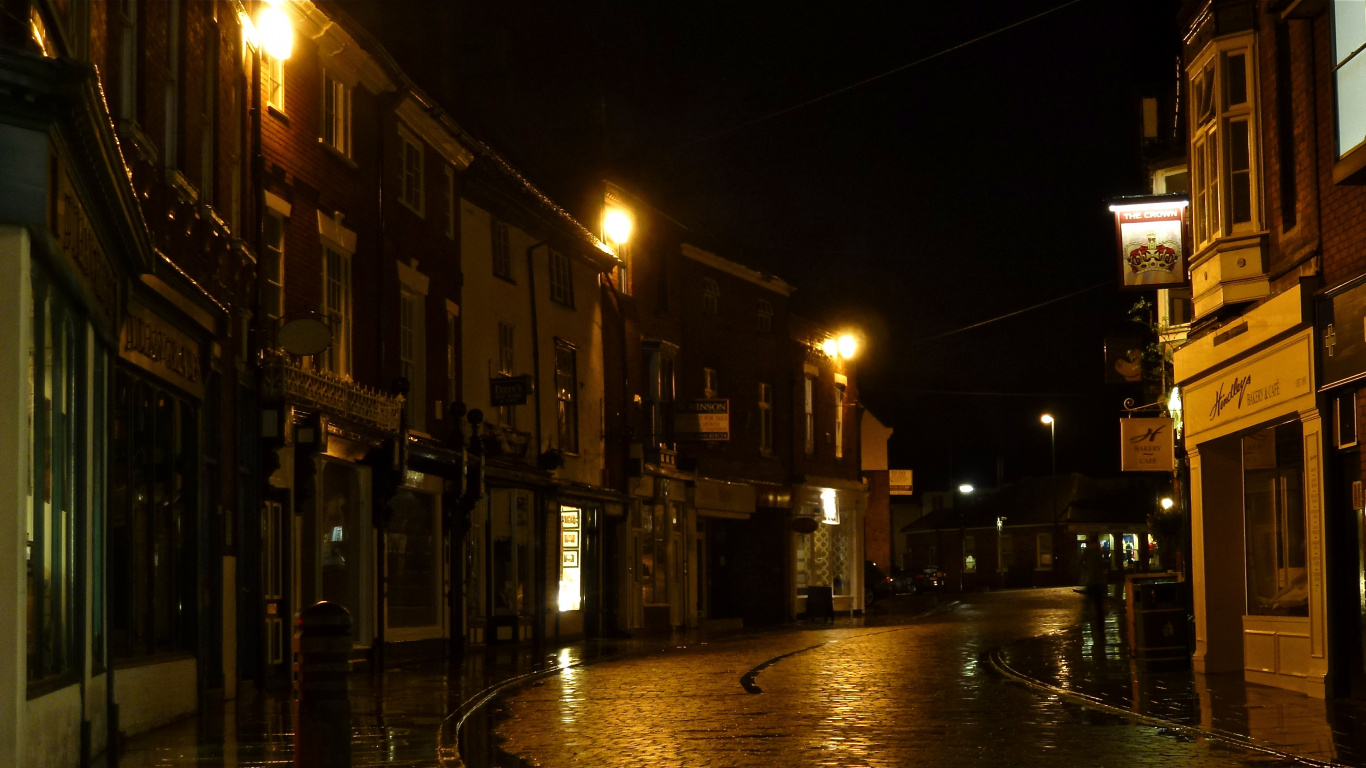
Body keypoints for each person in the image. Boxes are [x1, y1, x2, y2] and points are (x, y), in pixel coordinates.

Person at [1079, 535, 1109, 621]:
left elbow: (1080, 562)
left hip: (1092, 580)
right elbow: (1100, 566)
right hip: (1098, 580)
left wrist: (1086, 570)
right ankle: (1098, 619)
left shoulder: (1089, 551)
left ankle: (1086, 615)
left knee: (1089, 599)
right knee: (1097, 601)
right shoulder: (1098, 551)